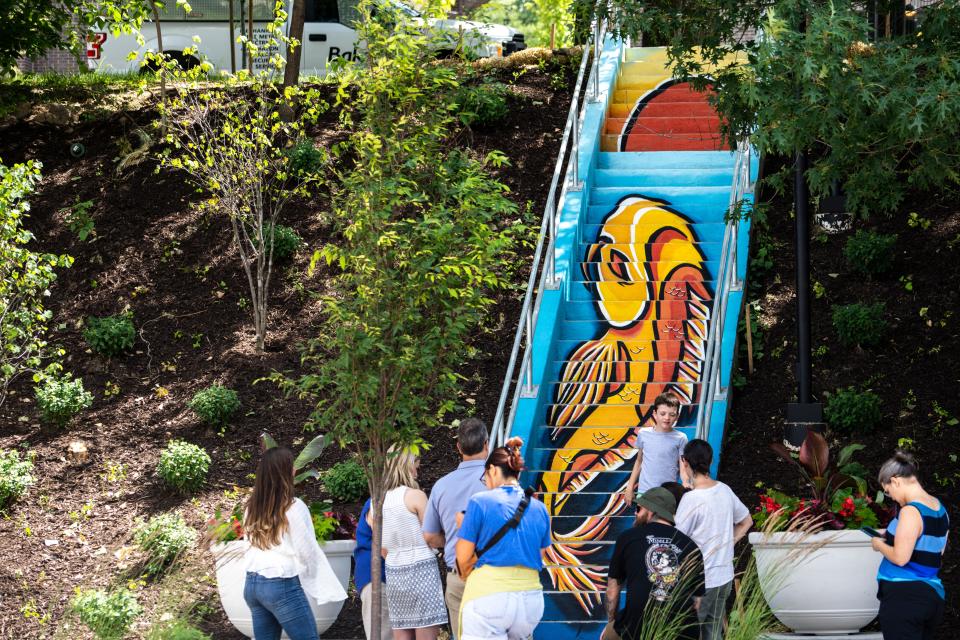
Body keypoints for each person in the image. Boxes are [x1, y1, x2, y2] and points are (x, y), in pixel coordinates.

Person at [242, 447, 347, 640]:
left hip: (252, 585)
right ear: (285, 473)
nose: (294, 471)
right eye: (291, 467)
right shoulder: (293, 507)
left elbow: (247, 545)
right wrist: (315, 581)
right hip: (280, 584)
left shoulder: (251, 508)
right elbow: (307, 551)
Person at [455, 436, 552, 640]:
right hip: (530, 602)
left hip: (489, 597)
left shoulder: (480, 502)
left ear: (493, 470)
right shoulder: (540, 508)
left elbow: (463, 559)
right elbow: (539, 555)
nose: (487, 483)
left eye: (486, 477)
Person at [603, 487, 705, 640]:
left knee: (608, 635)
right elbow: (699, 602)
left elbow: (612, 593)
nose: (636, 513)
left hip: (635, 629)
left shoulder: (628, 538)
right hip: (681, 632)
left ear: (651, 511)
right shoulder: (691, 546)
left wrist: (612, 623)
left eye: (639, 509)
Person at [674, 439, 752, 640]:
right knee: (713, 632)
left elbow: (676, 541)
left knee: (692, 634)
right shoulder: (724, 490)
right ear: (710, 461)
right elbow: (746, 521)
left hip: (699, 581)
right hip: (723, 576)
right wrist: (728, 544)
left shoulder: (690, 499)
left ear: (685, 462)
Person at [422, 418, 490, 639]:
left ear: (458, 447)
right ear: (487, 444)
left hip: (458, 577)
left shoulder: (441, 486)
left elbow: (430, 536)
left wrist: (452, 539)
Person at [872, 451, 949, 639]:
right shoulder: (939, 508)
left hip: (905, 598)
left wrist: (878, 544)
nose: (892, 498)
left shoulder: (910, 511)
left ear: (896, 481)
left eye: (889, 492)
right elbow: (936, 551)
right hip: (932, 596)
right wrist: (891, 536)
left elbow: (901, 558)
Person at [377, 448, 447, 639]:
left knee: (402, 631)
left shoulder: (379, 500)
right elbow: (430, 536)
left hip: (394, 571)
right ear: (406, 464)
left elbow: (382, 547)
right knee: (426, 628)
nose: (418, 467)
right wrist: (449, 541)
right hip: (421, 570)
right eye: (416, 461)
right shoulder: (415, 495)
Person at [624, 393, 687, 507]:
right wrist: (629, 487)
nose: (667, 418)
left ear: (677, 416)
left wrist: (686, 484)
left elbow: (683, 468)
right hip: (644, 493)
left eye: (672, 414)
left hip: (668, 494)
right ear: (655, 414)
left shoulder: (681, 438)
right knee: (643, 524)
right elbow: (639, 462)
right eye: (662, 414)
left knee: (663, 524)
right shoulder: (643, 434)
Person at [355, 497, 391, 640]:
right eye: (412, 471)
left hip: (380, 574)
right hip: (377, 576)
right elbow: (381, 542)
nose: (416, 473)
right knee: (384, 634)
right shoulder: (379, 500)